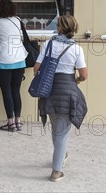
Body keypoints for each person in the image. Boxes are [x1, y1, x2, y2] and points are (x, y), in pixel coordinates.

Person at [35, 15, 88, 182]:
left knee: (57, 126)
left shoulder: (48, 44)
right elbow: (84, 75)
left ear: (59, 28)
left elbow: (36, 68)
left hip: (49, 90)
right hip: (67, 91)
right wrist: (75, 81)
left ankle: (61, 154)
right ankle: (56, 171)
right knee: (62, 132)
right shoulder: (76, 49)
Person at [0, 0, 27, 132]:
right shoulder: (18, 20)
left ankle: (10, 123)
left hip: (3, 60)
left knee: (6, 91)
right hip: (19, 59)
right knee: (16, 91)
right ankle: (18, 121)